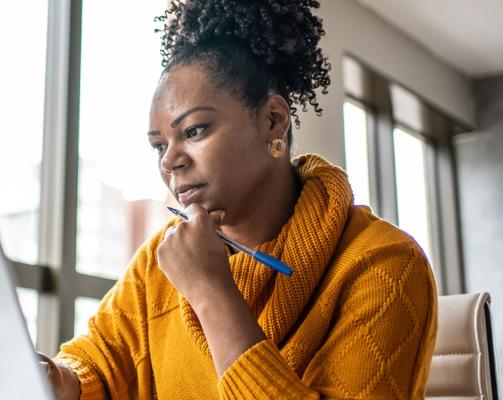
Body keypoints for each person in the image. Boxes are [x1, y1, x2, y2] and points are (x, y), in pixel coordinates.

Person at [37, 0, 437, 398]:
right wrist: (57, 378)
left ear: (273, 120)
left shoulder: (385, 263)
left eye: (194, 131)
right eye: (159, 146)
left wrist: (211, 292)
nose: (171, 161)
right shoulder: (156, 265)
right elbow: (96, 364)